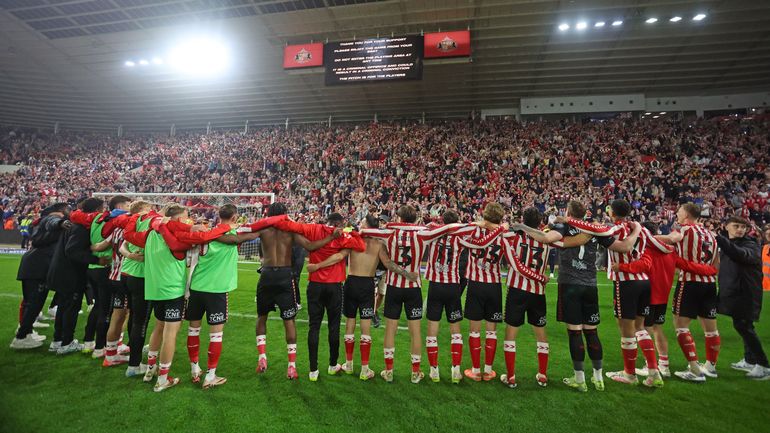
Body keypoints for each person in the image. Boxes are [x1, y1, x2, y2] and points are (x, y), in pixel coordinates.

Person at [362, 205, 477, 383]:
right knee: (415, 332)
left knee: (390, 330)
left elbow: (365, 231)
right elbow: (450, 228)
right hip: (414, 287)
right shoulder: (422, 233)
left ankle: (389, 371)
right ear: (414, 219)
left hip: (394, 285)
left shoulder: (390, 232)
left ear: (400, 218)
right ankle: (415, 372)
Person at [564, 199, 668, 387]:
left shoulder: (614, 229)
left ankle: (630, 374)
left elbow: (590, 228)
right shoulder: (643, 230)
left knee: (626, 330)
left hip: (625, 282)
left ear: (612, 212)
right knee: (641, 328)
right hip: (645, 281)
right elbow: (662, 247)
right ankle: (654, 372)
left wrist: (566, 220)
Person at [307, 214, 417, 381]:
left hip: (351, 284)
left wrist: (318, 265)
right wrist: (407, 275)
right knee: (365, 326)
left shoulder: (352, 239)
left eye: (362, 222)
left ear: (366, 225)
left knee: (350, 323)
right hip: (367, 285)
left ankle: (349, 364)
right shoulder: (378, 244)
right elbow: (388, 264)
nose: (360, 224)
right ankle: (365, 369)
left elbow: (339, 256)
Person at [240, 203, 336, 380]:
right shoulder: (290, 231)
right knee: (289, 320)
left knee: (262, 316)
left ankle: (262, 357)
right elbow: (311, 246)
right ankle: (291, 366)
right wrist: (331, 238)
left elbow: (240, 239)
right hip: (285, 275)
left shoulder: (263, 229)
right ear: (284, 215)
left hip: (267, 274)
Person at [271, 212, 363, 381]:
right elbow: (360, 245)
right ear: (340, 223)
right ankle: (332, 365)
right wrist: (349, 231)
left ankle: (313, 371)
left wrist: (273, 220)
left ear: (326, 221)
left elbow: (291, 225)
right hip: (335, 286)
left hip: (315, 284)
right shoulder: (344, 235)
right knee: (334, 326)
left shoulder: (313, 229)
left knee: (314, 326)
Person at [185, 205, 260, 388]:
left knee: (193, 330)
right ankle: (210, 375)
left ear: (219, 216)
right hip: (217, 291)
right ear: (235, 217)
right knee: (216, 335)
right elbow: (251, 234)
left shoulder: (206, 234)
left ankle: (195, 368)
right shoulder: (234, 234)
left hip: (196, 288)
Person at [658, 203, 721, 382]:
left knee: (681, 325)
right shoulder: (711, 235)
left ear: (686, 214)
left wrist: (646, 236)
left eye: (679, 211)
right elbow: (716, 264)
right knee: (711, 329)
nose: (677, 214)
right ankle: (710, 367)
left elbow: (670, 239)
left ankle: (694, 370)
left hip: (690, 283)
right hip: (709, 284)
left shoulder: (684, 230)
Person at [48, 198, 111, 355]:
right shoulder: (81, 227)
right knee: (71, 307)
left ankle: (58, 341)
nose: (103, 212)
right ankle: (66, 342)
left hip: (63, 270)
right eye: (102, 209)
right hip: (71, 273)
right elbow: (73, 251)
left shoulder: (75, 224)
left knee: (64, 306)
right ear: (96, 209)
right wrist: (96, 259)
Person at [498, 207, 551, 389]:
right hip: (538, 292)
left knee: (511, 333)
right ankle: (542, 375)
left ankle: (511, 376)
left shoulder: (513, 237)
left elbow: (501, 233)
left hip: (517, 290)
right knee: (541, 333)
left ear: (522, 220)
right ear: (539, 222)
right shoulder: (547, 239)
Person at [456, 203, 508, 382]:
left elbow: (462, 229)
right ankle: (488, 370)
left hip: (476, 284)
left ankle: (476, 370)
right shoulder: (504, 234)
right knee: (491, 331)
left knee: (475, 331)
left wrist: (482, 224)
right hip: (494, 285)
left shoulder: (473, 230)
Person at [11, 203, 71, 349]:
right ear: (60, 211)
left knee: (31, 302)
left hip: (34, 264)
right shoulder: (51, 219)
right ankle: (21, 337)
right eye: (67, 210)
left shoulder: (42, 223)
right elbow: (53, 222)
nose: (69, 212)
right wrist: (62, 222)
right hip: (38, 266)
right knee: (34, 303)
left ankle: (27, 332)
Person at [716, 216, 769, 380]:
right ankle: (749, 360)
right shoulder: (731, 243)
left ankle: (764, 365)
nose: (740, 229)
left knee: (744, 326)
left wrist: (719, 239)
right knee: (743, 324)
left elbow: (740, 255)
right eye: (736, 226)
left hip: (747, 294)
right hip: (736, 292)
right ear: (727, 226)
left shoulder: (750, 244)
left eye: (743, 227)